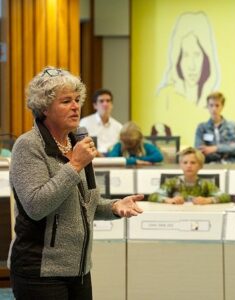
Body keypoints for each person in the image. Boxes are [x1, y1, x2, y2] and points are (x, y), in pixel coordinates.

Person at [8, 66, 143, 300]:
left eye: (77, 100)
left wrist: (113, 206)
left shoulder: (77, 142)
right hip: (40, 272)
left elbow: (87, 202)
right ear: (44, 107)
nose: (75, 107)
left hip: (79, 270)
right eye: (66, 101)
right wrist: (75, 165)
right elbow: (36, 206)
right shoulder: (28, 146)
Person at [156, 12, 220, 108]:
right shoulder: (166, 96)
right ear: (177, 59)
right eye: (185, 55)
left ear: (206, 58)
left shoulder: (211, 101)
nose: (192, 66)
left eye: (197, 55)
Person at [148, 147, 230, 204]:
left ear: (200, 166)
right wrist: (169, 200)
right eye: (185, 162)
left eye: (193, 163)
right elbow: (153, 196)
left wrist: (208, 200)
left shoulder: (206, 184)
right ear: (180, 165)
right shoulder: (172, 182)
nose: (189, 166)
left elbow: (225, 197)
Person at [195, 92, 235, 163]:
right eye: (211, 105)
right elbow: (200, 151)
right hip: (210, 166)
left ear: (222, 106)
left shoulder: (233, 126)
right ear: (207, 106)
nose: (214, 109)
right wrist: (229, 148)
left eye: (217, 105)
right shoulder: (202, 128)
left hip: (232, 164)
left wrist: (215, 148)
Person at [79, 88, 123, 155]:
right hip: (92, 159)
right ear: (95, 105)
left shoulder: (119, 126)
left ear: (112, 105)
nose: (105, 104)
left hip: (113, 159)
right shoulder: (85, 123)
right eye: (101, 101)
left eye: (108, 101)